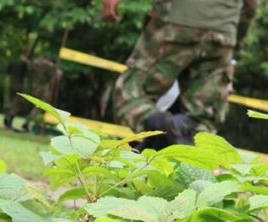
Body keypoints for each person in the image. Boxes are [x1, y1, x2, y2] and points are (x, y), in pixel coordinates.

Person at [103, 0, 257, 145]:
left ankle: (162, 129)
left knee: (130, 93)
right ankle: (184, 146)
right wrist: (233, 44)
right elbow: (251, 5)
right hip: (224, 32)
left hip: (176, 21)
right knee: (203, 117)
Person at [4, 52, 59, 133]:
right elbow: (51, 77)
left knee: (23, 102)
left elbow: (28, 73)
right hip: (43, 88)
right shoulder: (49, 65)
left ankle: (10, 116)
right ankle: (27, 121)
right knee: (40, 106)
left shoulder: (34, 62)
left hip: (32, 86)